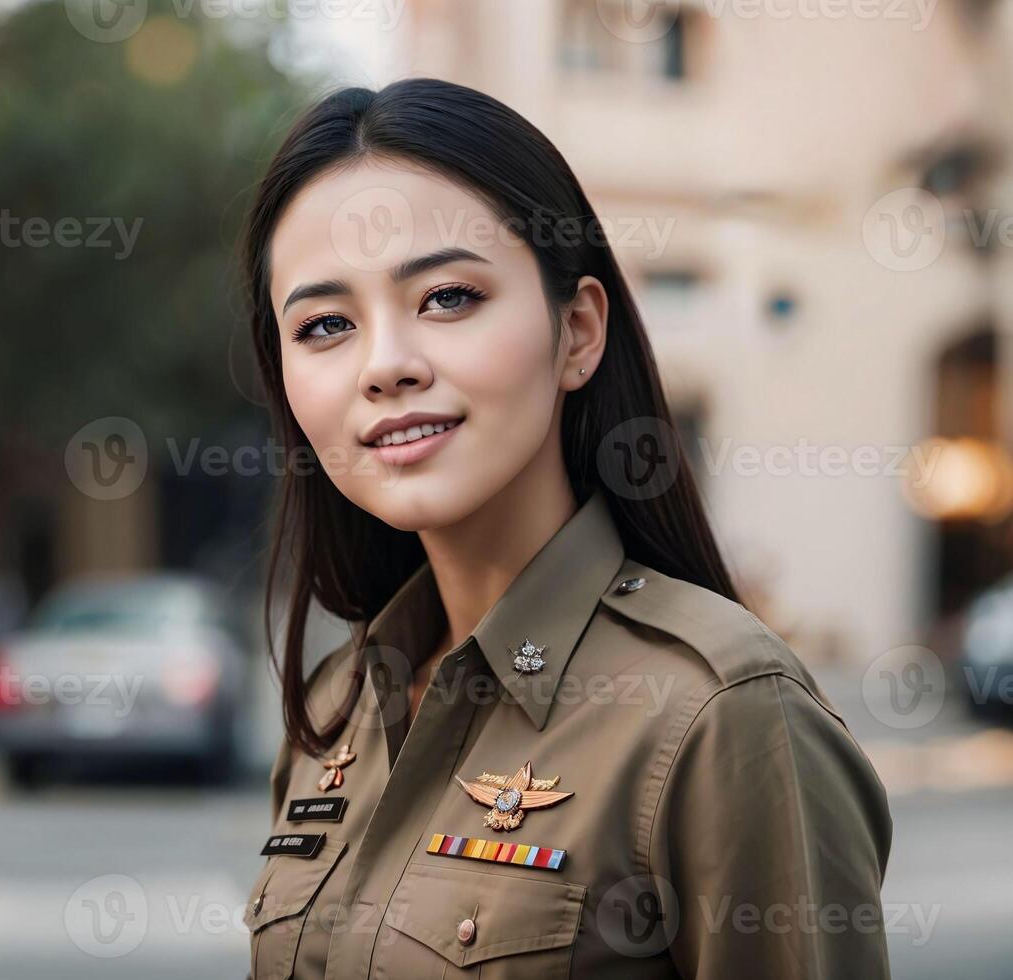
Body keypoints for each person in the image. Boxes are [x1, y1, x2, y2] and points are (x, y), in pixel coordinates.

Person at [239, 77, 892, 979]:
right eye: (324, 325)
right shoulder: (332, 710)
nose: (385, 365)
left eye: (447, 298)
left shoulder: (719, 713)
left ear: (577, 331)